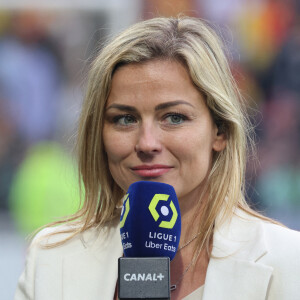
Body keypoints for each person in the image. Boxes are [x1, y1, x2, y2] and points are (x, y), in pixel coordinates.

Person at [15, 16, 300, 300]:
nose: (146, 143)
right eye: (125, 119)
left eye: (174, 118)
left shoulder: (287, 262)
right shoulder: (51, 258)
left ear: (220, 131)